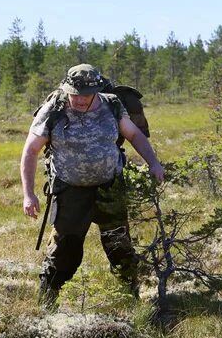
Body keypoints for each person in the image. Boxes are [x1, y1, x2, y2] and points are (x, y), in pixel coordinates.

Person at [20, 64, 165, 310]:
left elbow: (135, 136)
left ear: (96, 91)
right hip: (70, 191)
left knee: (119, 246)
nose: (78, 99)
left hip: (110, 188)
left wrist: (153, 163)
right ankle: (46, 304)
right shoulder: (54, 109)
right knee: (64, 249)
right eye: (73, 93)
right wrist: (28, 194)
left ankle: (131, 301)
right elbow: (30, 151)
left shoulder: (112, 104)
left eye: (84, 95)